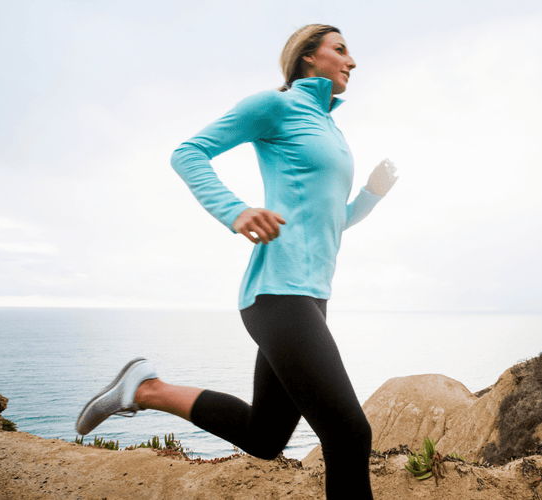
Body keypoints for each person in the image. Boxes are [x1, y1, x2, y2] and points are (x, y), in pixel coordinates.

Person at [75, 24, 396, 499]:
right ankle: (143, 388)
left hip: (311, 296)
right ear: (308, 57)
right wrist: (236, 211)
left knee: (264, 438)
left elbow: (328, 222)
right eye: (341, 50)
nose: (352, 61)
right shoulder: (276, 106)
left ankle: (144, 389)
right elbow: (189, 153)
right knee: (350, 434)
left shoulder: (331, 128)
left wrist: (371, 195)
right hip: (276, 295)